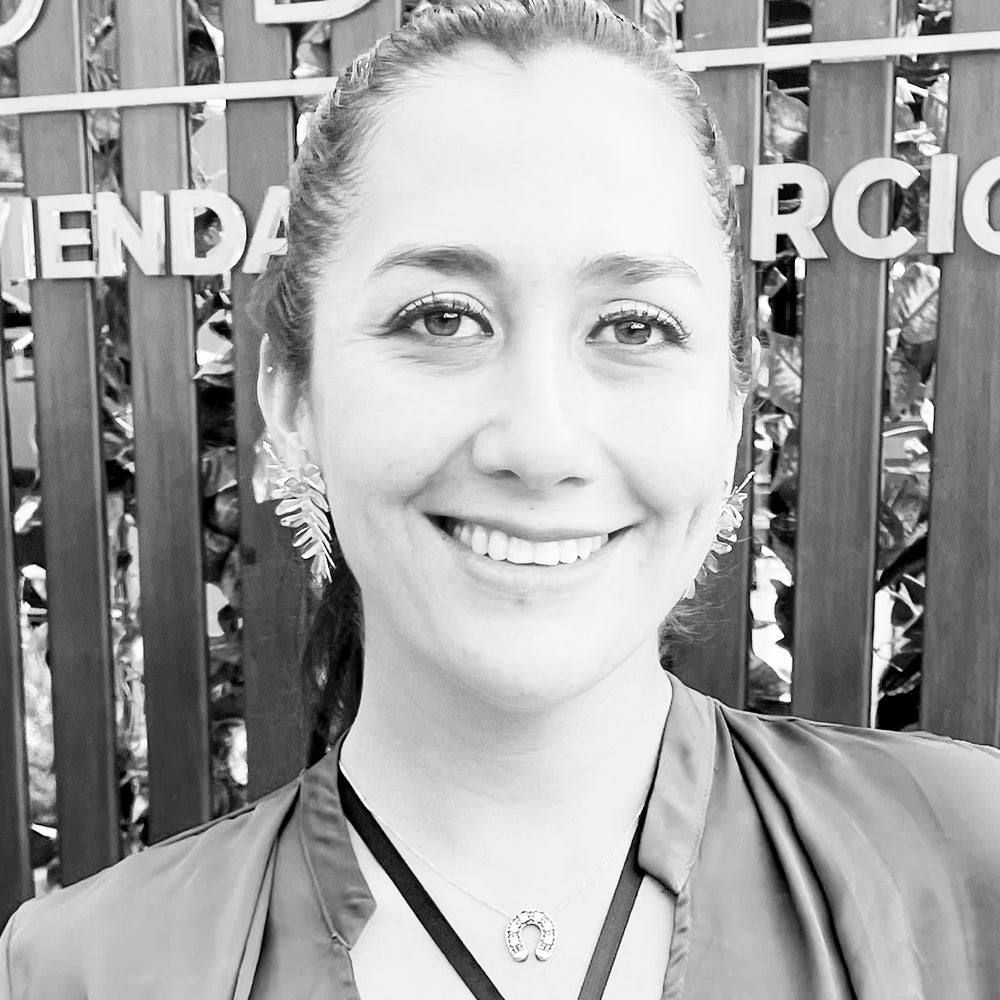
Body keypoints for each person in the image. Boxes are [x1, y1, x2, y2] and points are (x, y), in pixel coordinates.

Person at [3, 0, 1000, 997]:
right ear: (291, 398)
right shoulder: (91, 969)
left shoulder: (965, 865)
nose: (540, 441)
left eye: (634, 327)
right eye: (442, 318)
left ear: (731, 407)